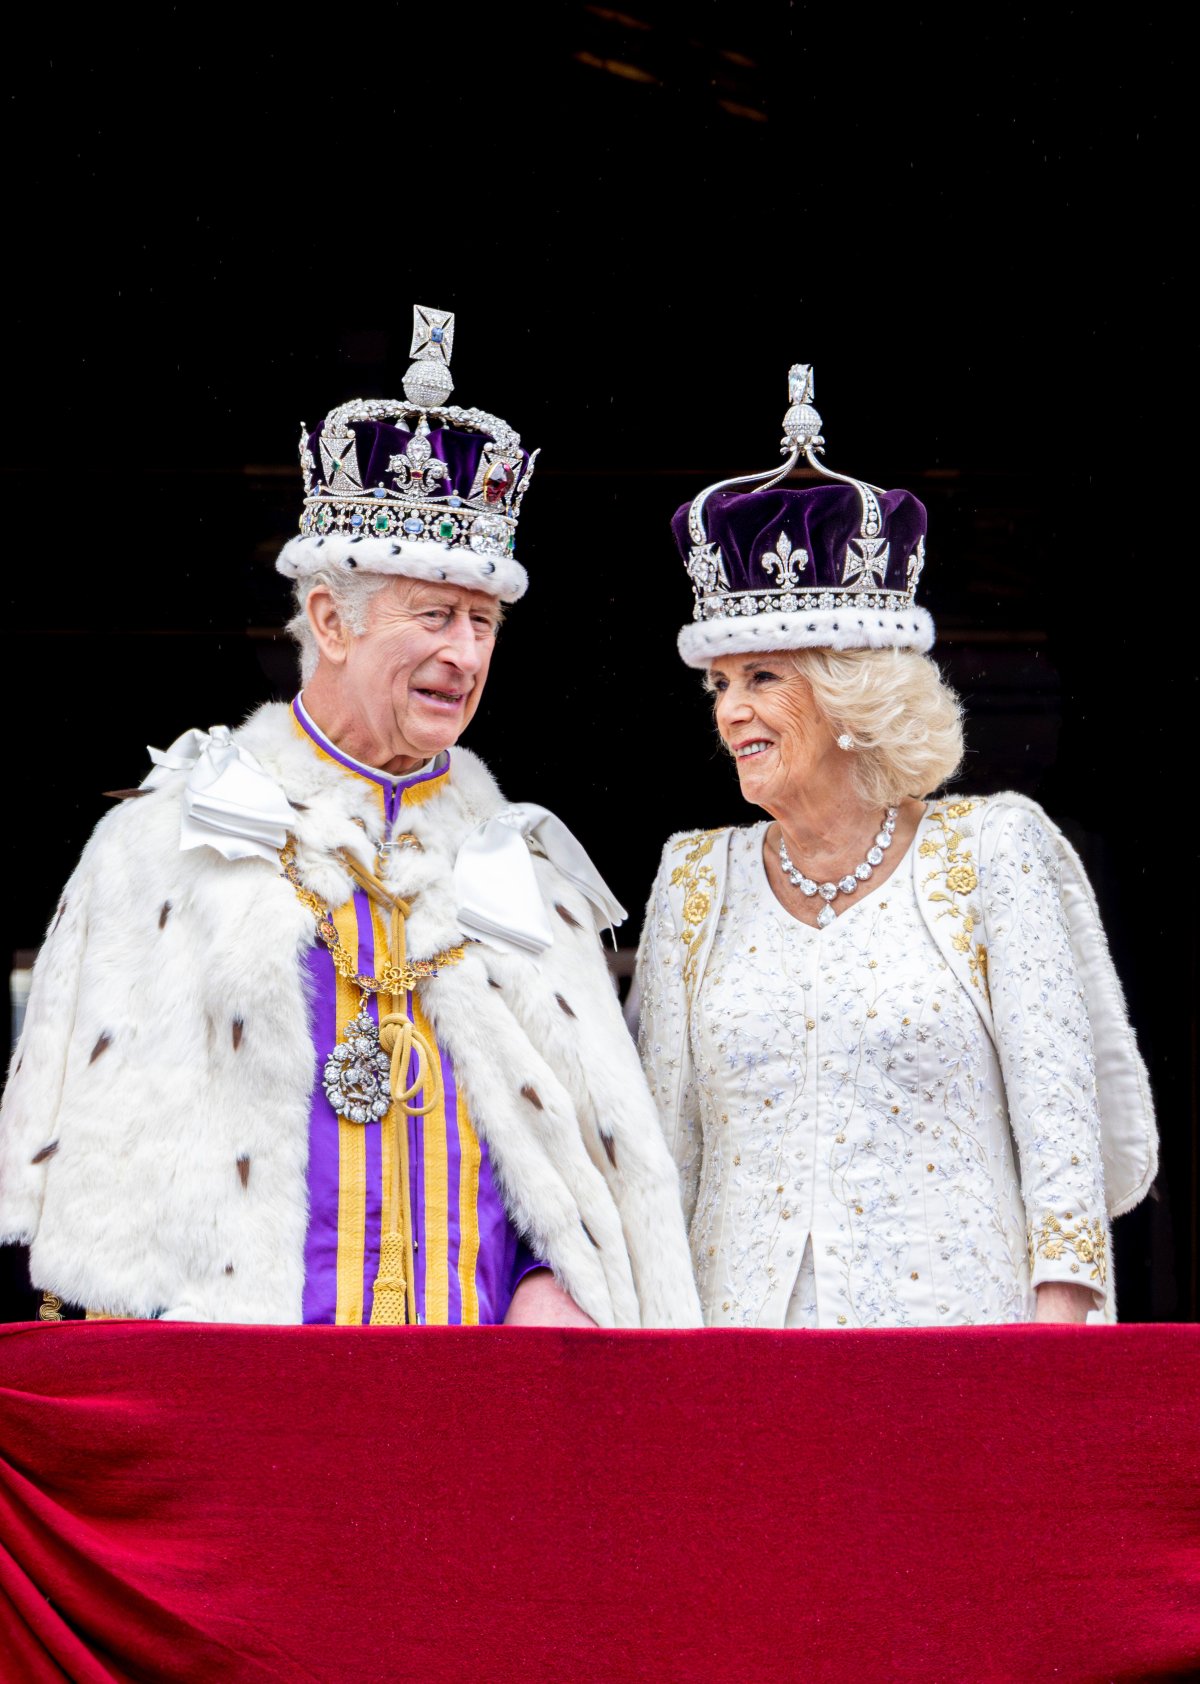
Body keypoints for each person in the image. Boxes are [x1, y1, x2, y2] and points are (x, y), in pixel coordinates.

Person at [0, 305, 701, 1330]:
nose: (464, 654)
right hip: (250, 1391)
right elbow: (98, 1184)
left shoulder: (522, 869)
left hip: (483, 1393)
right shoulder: (166, 841)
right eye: (433, 615)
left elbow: (582, 1165)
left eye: (482, 621)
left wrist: (563, 1282)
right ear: (329, 619)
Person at [636, 363, 1157, 1329]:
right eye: (720, 687)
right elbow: (661, 1157)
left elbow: (1065, 1142)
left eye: (762, 678)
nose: (732, 712)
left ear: (847, 698)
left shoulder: (991, 854)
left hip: (961, 1365)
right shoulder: (693, 881)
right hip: (739, 1372)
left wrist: (1055, 1352)